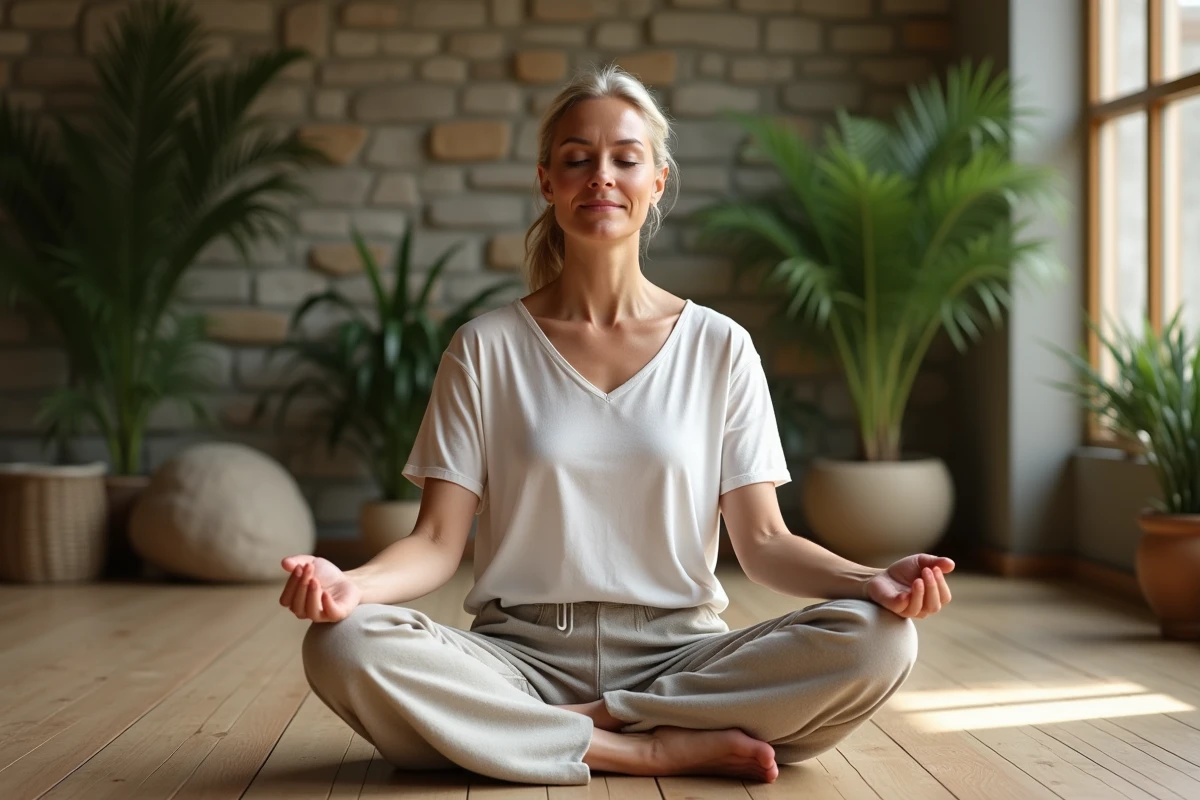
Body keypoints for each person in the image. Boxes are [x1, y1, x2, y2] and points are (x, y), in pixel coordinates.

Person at [280, 63, 954, 787]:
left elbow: (763, 544)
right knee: (341, 646)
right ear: (548, 181)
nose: (601, 175)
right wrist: (349, 585)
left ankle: (543, 733)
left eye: (625, 159)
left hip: (682, 659)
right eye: (578, 159)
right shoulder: (484, 348)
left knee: (881, 641)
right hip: (518, 659)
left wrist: (870, 580)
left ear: (656, 181)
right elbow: (438, 543)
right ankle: (648, 745)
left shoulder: (719, 346)